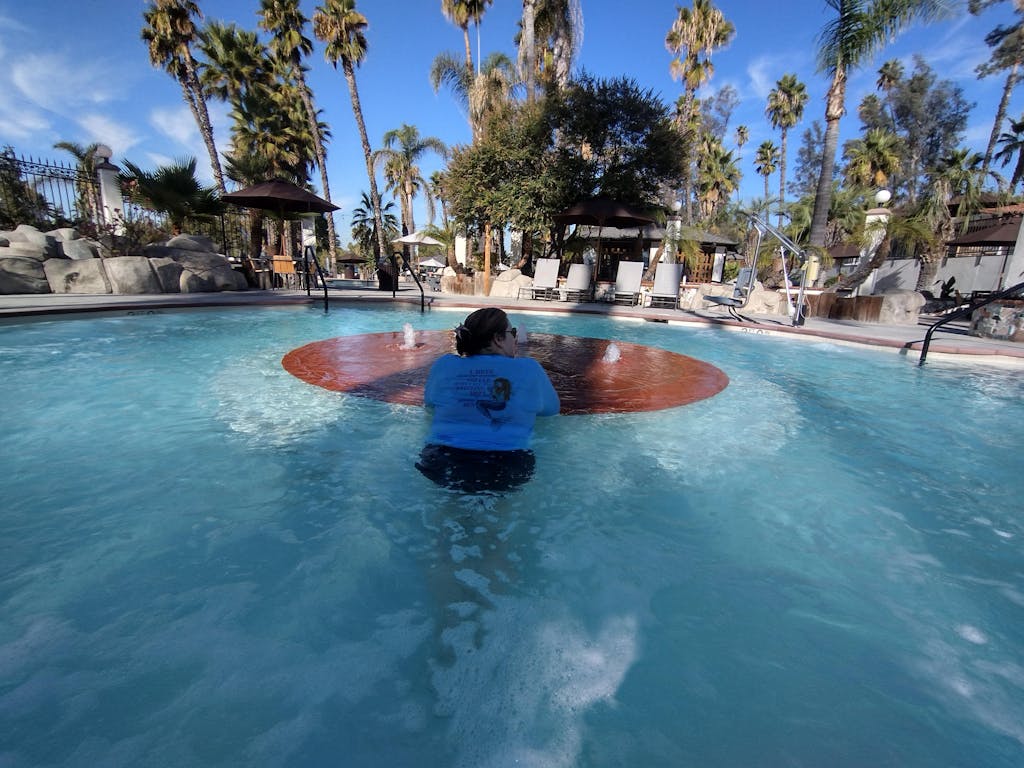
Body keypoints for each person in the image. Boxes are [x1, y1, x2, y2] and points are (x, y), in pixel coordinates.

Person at [416, 308, 560, 493]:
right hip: (508, 462)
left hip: (440, 458)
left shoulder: (444, 364)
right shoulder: (529, 368)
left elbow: (430, 402)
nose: (515, 338)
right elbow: (551, 410)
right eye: (512, 332)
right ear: (498, 339)